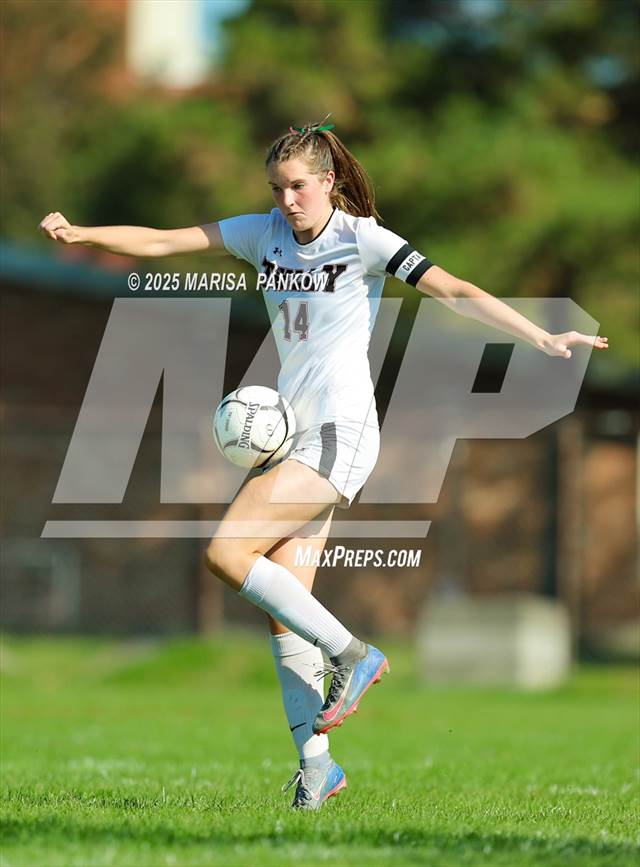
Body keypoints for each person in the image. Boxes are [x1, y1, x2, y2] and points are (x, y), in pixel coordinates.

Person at [38, 117, 608, 811]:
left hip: (341, 433)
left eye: (299, 186)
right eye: (277, 188)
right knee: (284, 611)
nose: (286, 200)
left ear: (329, 182)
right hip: (294, 434)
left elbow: (451, 289)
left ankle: (353, 654)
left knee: (225, 550)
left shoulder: (360, 239)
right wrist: (83, 233)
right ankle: (318, 769)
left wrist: (540, 334)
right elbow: (165, 241)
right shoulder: (263, 233)